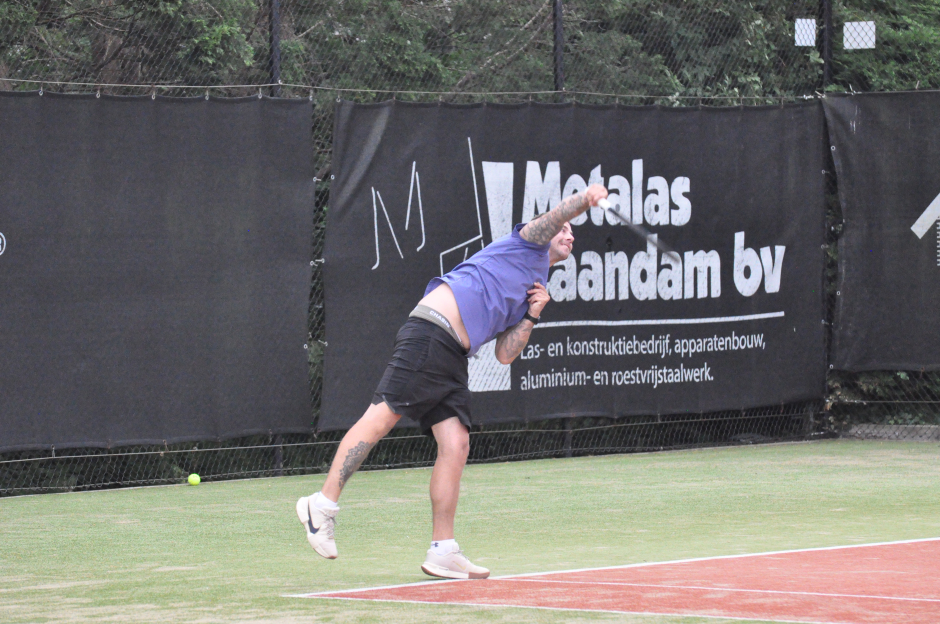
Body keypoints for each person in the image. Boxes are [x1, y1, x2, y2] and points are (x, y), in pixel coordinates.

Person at [297, 184, 609, 579]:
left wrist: (532, 315)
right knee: (382, 416)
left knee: (456, 444)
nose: (569, 234)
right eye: (564, 229)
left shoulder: (537, 283)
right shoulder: (526, 245)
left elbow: (504, 354)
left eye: (572, 231)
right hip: (431, 331)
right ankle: (322, 505)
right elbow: (555, 216)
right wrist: (584, 199)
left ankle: (442, 549)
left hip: (454, 354)